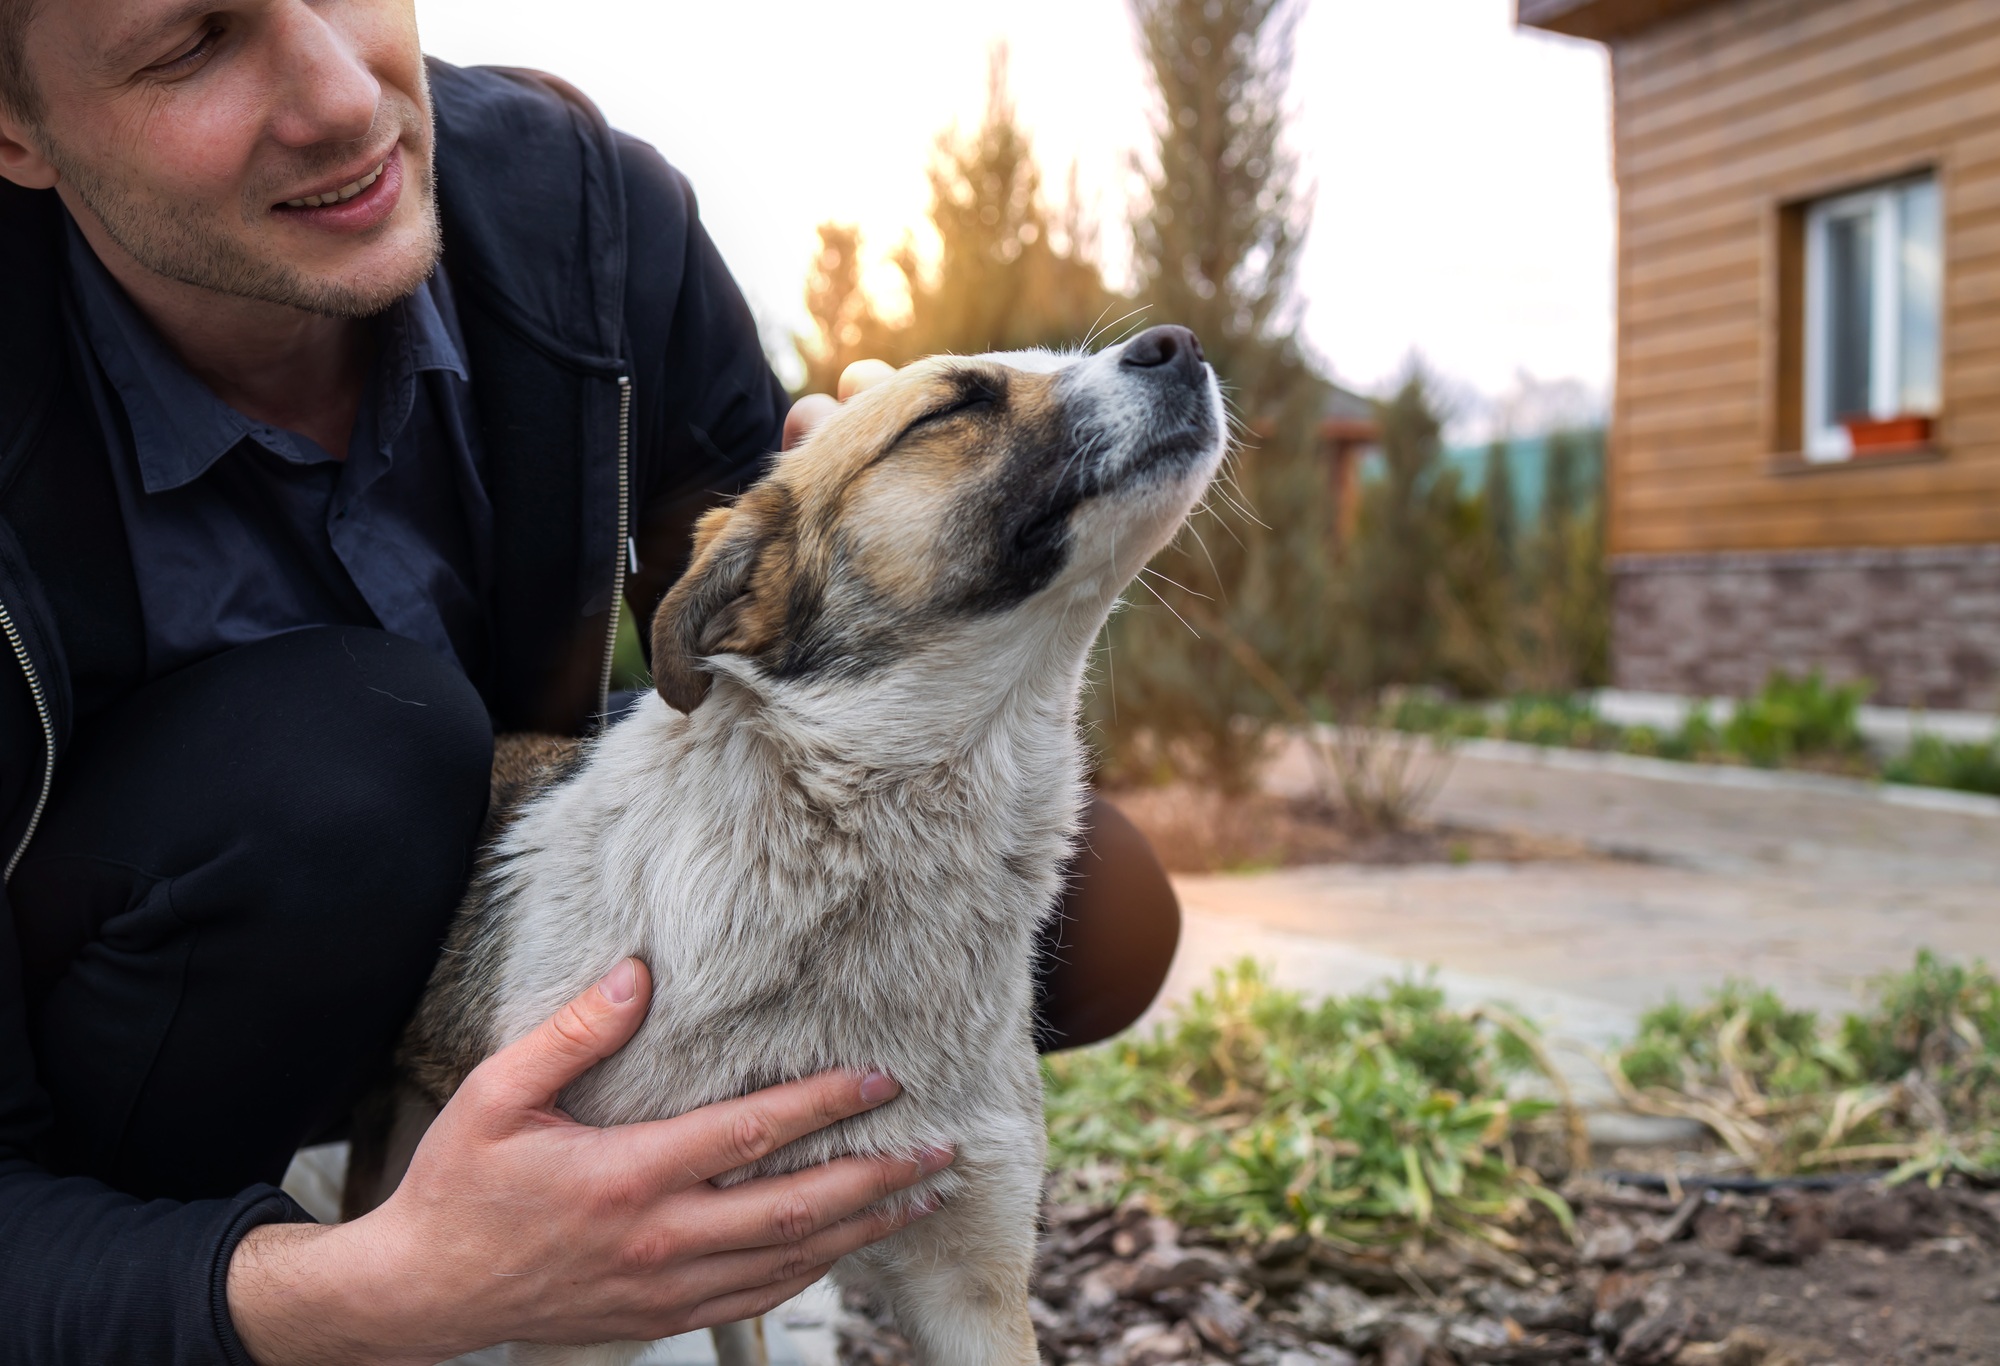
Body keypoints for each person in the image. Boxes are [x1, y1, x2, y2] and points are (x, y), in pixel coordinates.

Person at [0, 2, 1182, 1363]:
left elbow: (768, 621)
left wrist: (866, 506)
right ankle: (197, 1247)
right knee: (360, 758)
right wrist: (373, 1284)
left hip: (485, 914)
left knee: (1097, 912)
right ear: (14, 123)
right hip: (131, 1015)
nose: (341, 94)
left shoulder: (587, 216)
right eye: (193, 40)